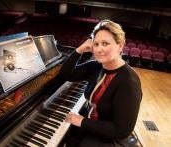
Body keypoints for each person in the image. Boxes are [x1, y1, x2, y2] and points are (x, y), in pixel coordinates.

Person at [58, 19, 142, 147]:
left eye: (105, 43)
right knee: (68, 138)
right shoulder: (98, 66)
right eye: (96, 44)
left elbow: (122, 130)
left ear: (120, 45)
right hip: (94, 124)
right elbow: (66, 74)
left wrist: (82, 122)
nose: (99, 49)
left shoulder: (128, 81)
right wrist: (79, 50)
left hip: (110, 137)